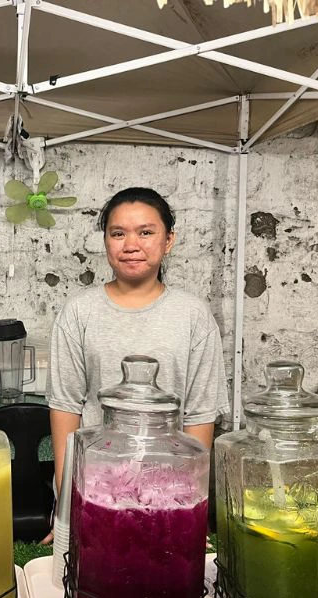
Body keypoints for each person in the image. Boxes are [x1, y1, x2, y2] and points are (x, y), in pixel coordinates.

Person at [47, 186, 230, 498]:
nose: (131, 245)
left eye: (145, 232)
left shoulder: (193, 315)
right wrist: (68, 501)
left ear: (168, 240)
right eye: (118, 234)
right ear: (106, 241)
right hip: (96, 485)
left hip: (168, 487)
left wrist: (187, 498)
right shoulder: (79, 312)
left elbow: (199, 416)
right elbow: (65, 408)